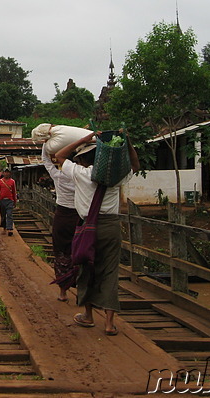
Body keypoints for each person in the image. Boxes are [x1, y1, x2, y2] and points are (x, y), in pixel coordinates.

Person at [55, 131, 140, 336]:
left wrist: (84, 139)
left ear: (84, 159)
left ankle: (88, 316)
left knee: (87, 269)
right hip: (111, 227)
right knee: (110, 271)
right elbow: (135, 166)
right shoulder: (115, 176)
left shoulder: (81, 174)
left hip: (87, 228)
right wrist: (127, 143)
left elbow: (59, 156)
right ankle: (109, 323)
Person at [41, 142, 80, 302]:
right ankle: (82, 293)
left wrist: (46, 143)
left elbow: (46, 159)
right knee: (80, 253)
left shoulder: (58, 174)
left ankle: (63, 292)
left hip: (63, 216)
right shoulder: (82, 175)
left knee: (61, 254)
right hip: (81, 216)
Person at [0, 168, 17, 236]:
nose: (6, 174)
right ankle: (4, 228)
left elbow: (14, 192)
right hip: (2, 200)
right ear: (3, 173)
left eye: (8, 172)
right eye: (5, 172)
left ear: (10, 173)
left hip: (10, 200)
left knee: (9, 214)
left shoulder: (12, 182)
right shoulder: (0, 182)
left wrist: (15, 201)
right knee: (3, 215)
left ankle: (10, 229)